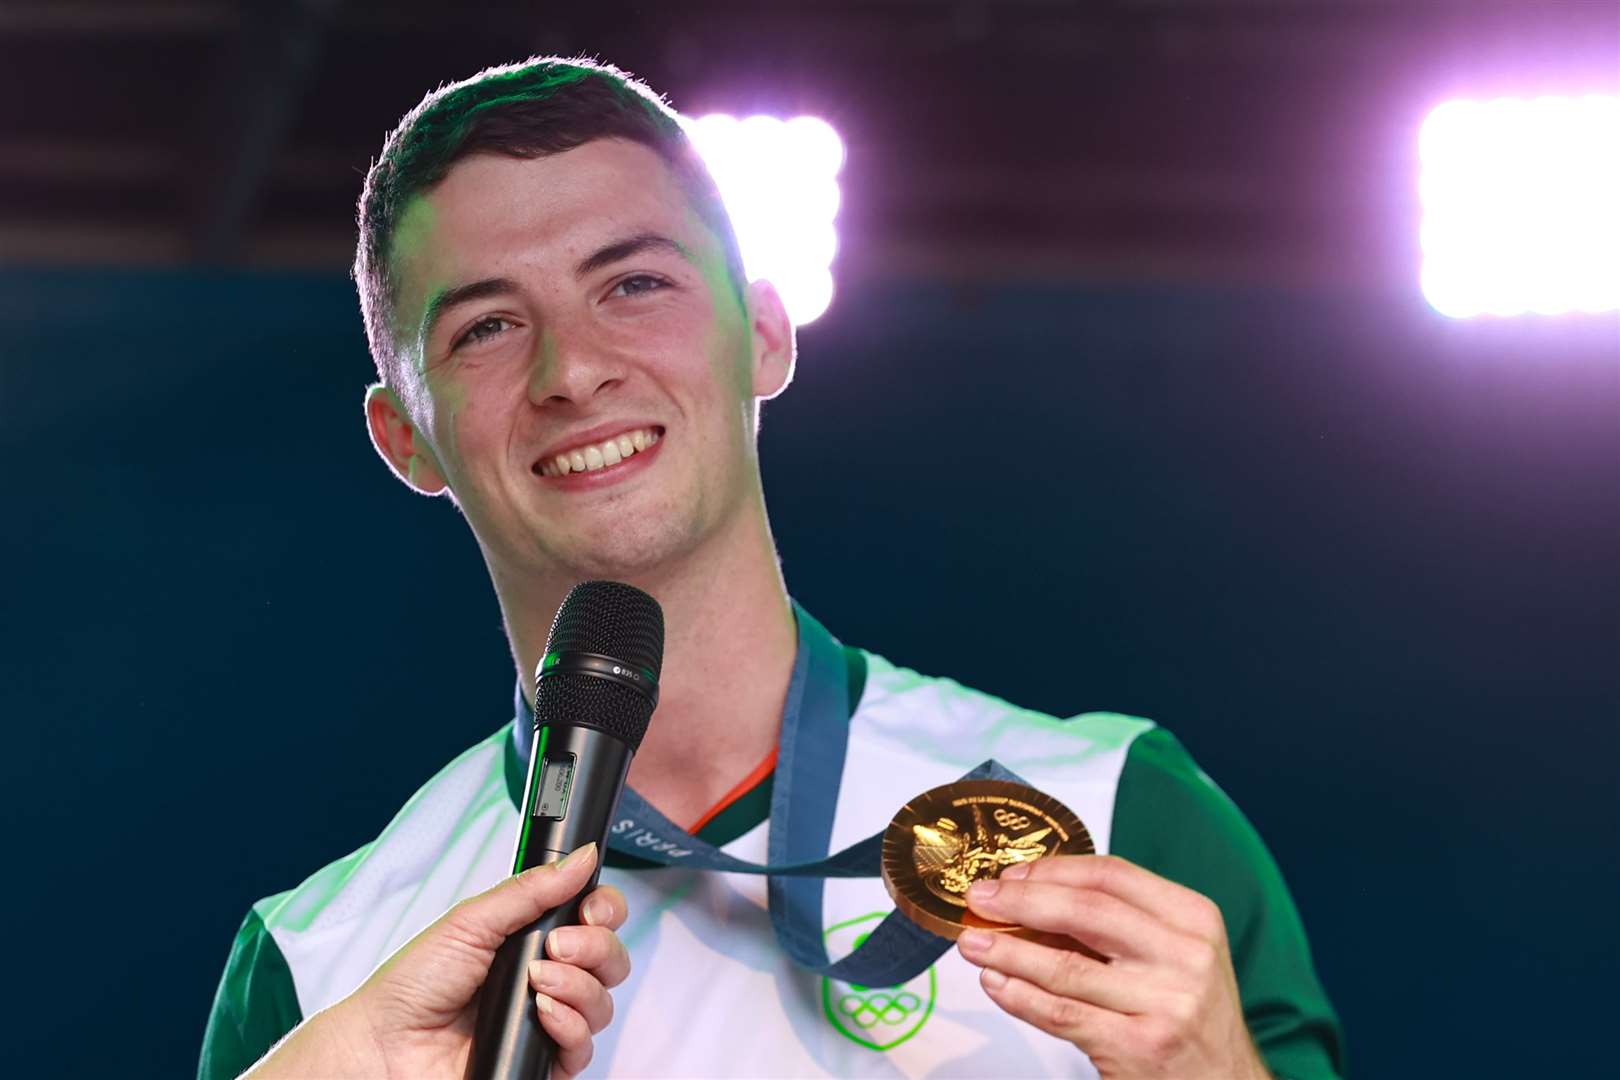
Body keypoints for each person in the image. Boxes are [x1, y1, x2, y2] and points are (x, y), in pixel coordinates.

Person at [199, 56, 1344, 1079]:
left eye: (634, 284)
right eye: (486, 328)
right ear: (406, 439)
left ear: (768, 335)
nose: (573, 370)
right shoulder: (319, 967)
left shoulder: (1119, 811)